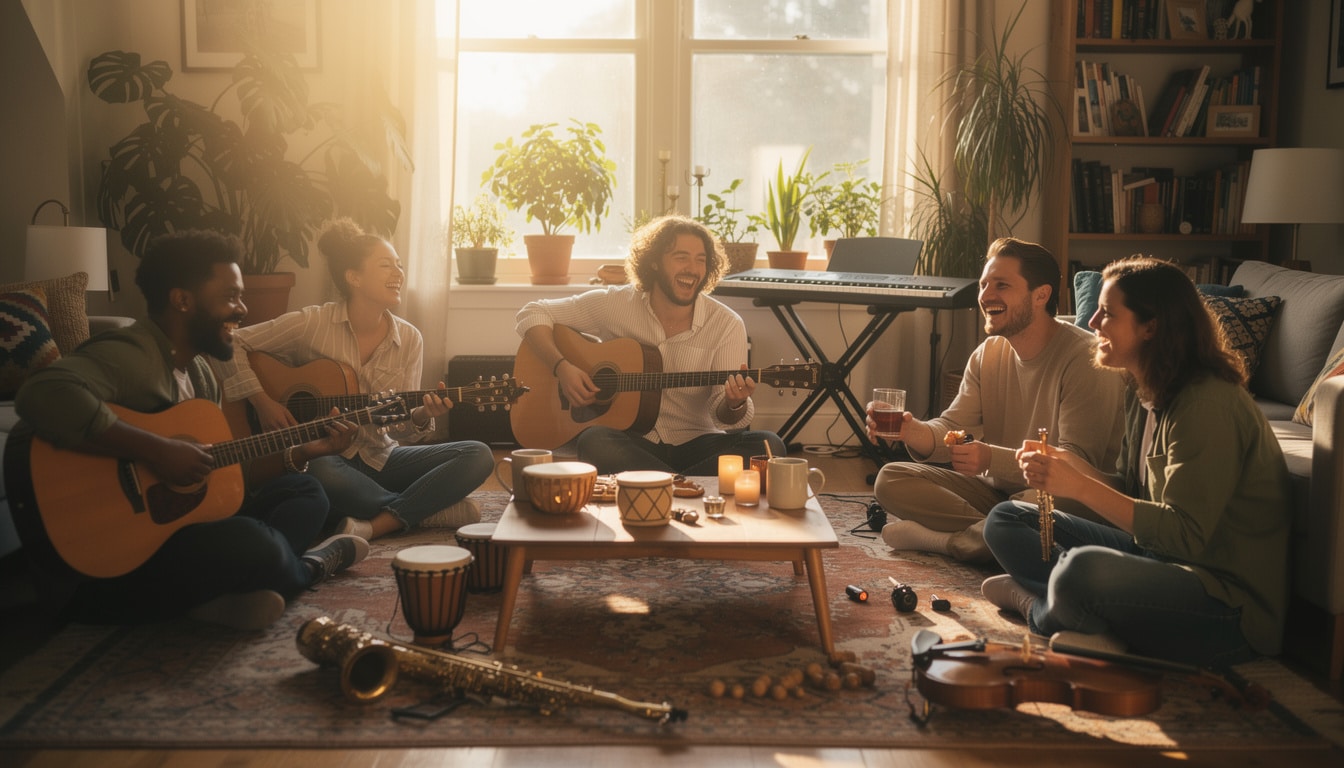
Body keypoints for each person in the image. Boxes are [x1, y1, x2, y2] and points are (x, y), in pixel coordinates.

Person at [13, 230, 366, 631]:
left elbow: (222, 475)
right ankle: (307, 569)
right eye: (231, 296)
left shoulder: (200, 373)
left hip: (181, 529)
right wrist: (157, 450)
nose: (243, 309)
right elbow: (40, 393)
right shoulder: (130, 354)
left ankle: (213, 598)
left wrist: (303, 452)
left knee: (306, 492)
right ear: (183, 300)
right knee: (257, 543)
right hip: (123, 557)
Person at [981, 256, 1291, 667]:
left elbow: (1185, 536)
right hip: (1154, 557)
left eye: (1107, 313)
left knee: (1081, 571)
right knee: (1005, 519)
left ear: (1152, 327)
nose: (1091, 323)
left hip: (1223, 601)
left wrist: (1078, 487)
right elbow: (1129, 488)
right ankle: (1086, 614)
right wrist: (1068, 468)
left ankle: (1036, 605)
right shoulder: (1141, 388)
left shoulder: (1206, 402)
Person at [215, 219, 494, 541]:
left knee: (477, 454)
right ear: (354, 277)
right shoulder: (313, 323)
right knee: (316, 470)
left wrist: (421, 415)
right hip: (327, 459)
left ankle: (377, 521)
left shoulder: (409, 338)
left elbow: (400, 428)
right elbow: (232, 342)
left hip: (381, 457)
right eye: (386, 265)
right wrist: (261, 402)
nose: (398, 273)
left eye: (400, 266)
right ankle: (426, 510)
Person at [865, 237, 1126, 563]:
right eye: (985, 284)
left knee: (1035, 509)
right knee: (891, 479)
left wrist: (990, 459)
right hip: (998, 495)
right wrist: (909, 430)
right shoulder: (988, 354)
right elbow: (952, 428)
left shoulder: (1086, 358)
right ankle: (999, 536)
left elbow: (1074, 467)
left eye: (1001, 285)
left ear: (1040, 295)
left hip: (1065, 495)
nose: (986, 296)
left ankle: (946, 541)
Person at [515, 215, 786, 475]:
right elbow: (533, 313)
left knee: (768, 446)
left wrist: (734, 403)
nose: (692, 269)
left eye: (700, 260)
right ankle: (689, 487)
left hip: (699, 443)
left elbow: (724, 418)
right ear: (654, 262)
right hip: (632, 442)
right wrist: (562, 367)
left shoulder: (726, 324)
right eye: (681, 257)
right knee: (594, 440)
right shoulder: (617, 304)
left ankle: (661, 486)